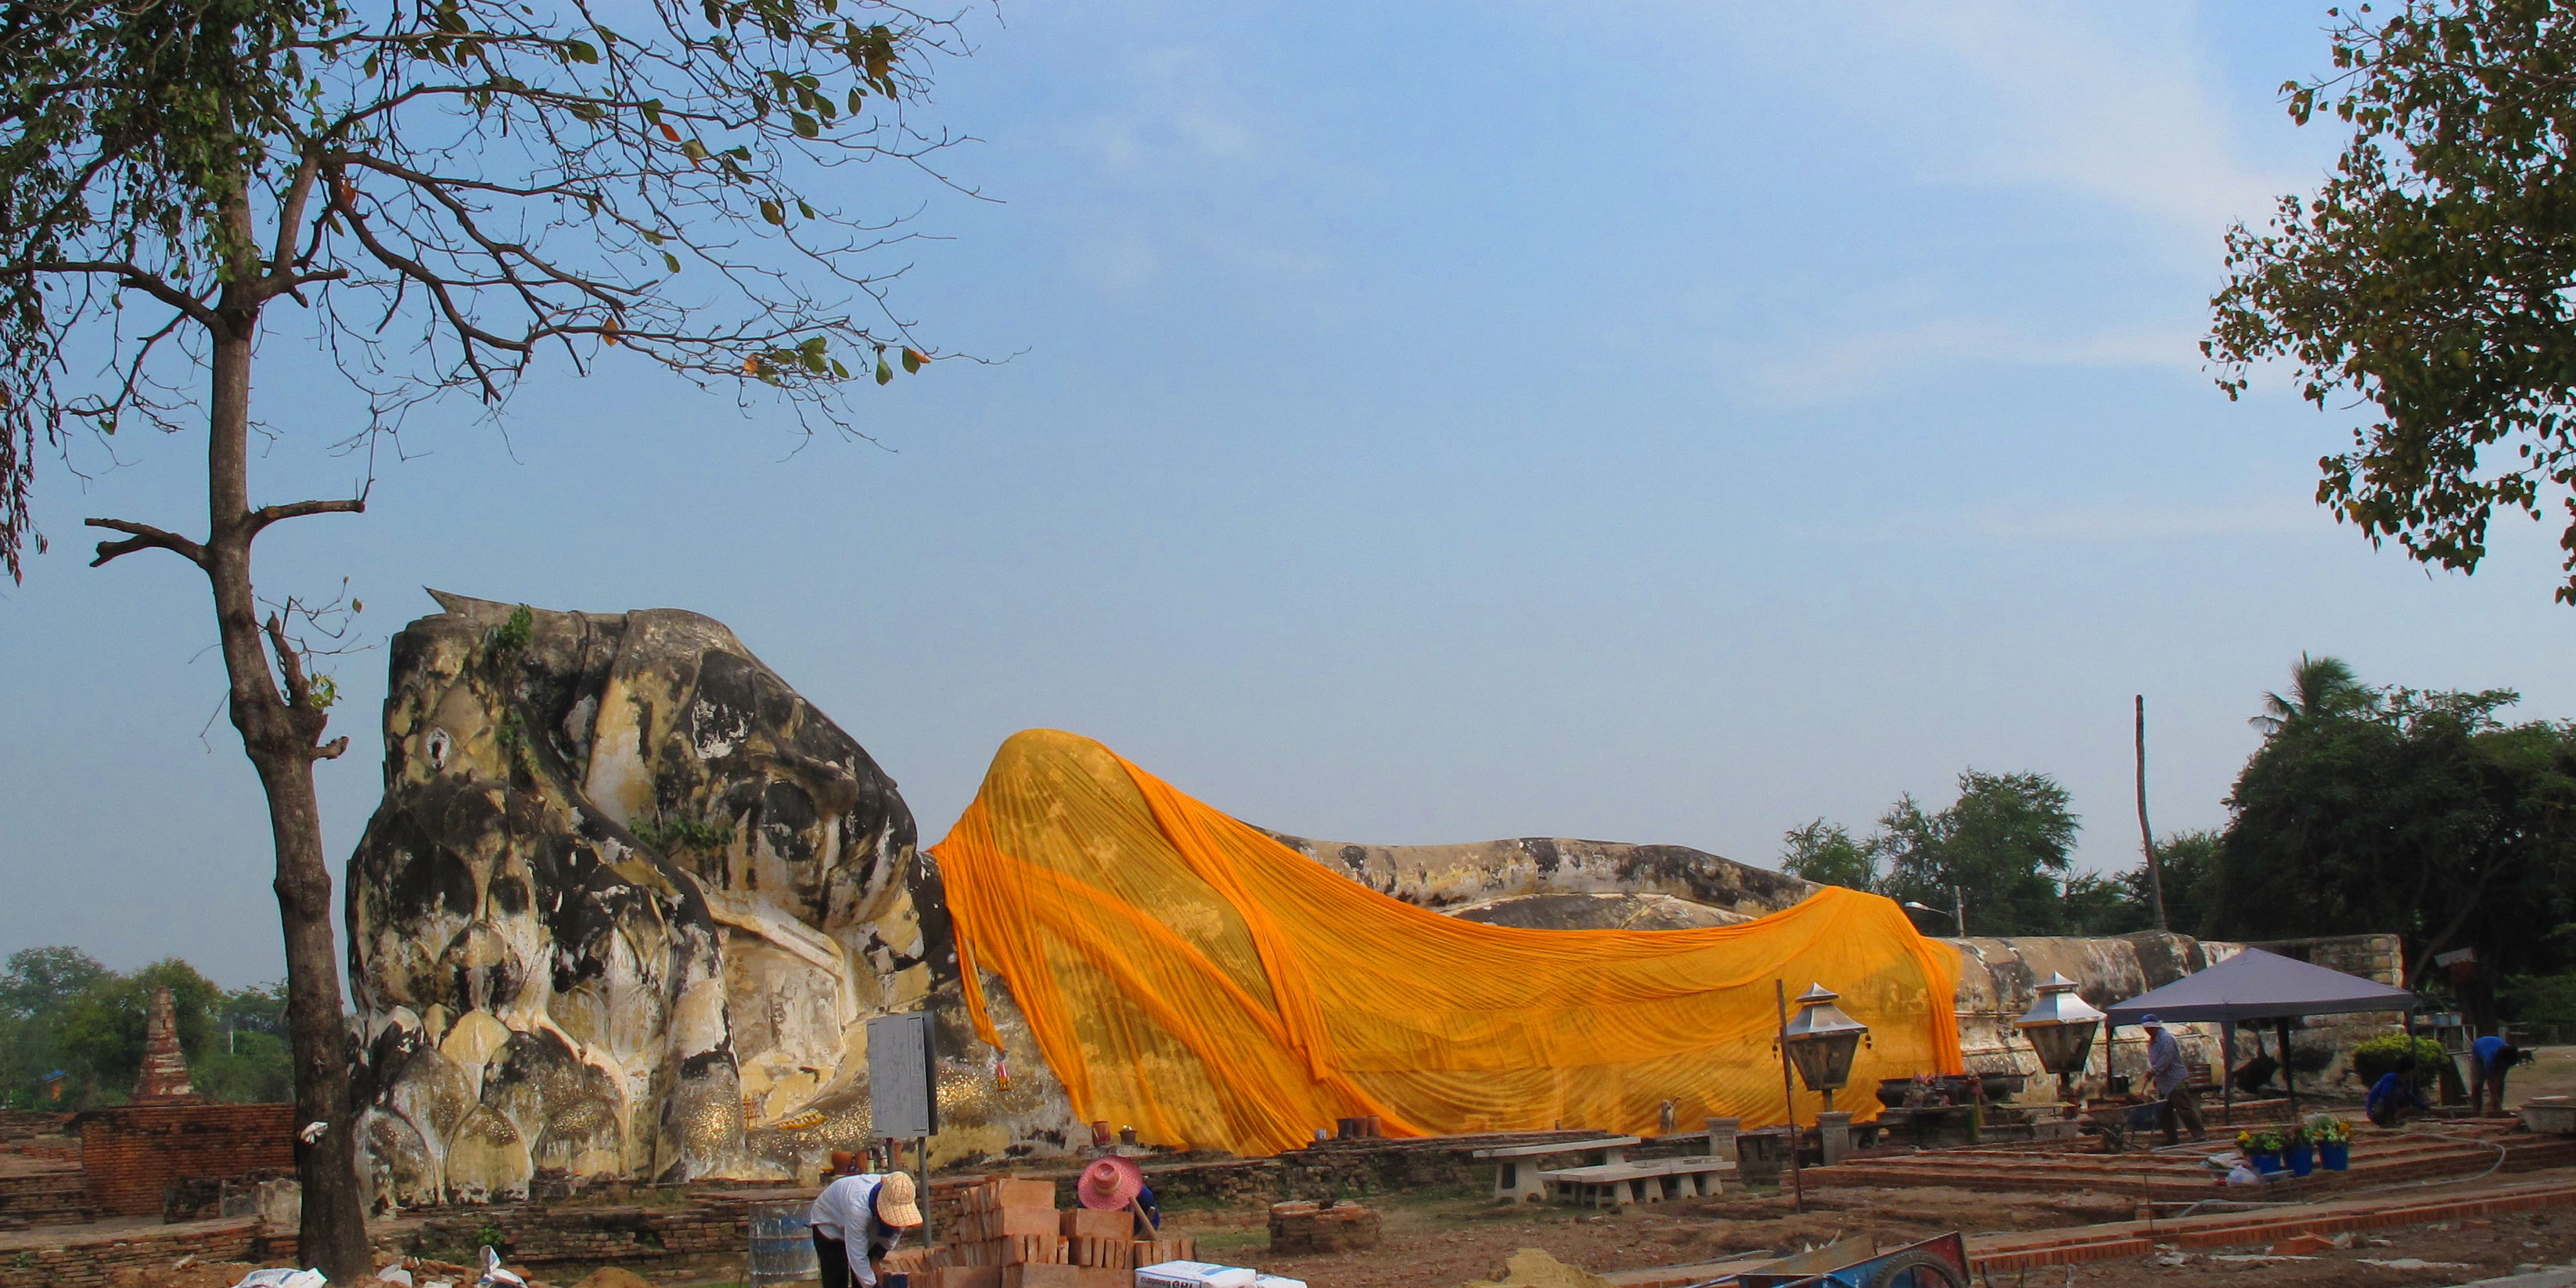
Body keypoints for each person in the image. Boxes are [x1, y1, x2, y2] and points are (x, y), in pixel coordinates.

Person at [808, 1170, 923, 1288]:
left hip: (860, 1222)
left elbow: (893, 1234)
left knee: (864, 1277)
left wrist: (875, 1258)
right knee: (837, 1278)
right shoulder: (858, 1207)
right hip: (829, 1222)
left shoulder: (900, 1192)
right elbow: (857, 1256)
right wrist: (873, 1286)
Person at [2142, 1015, 2206, 1144]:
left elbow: (2166, 1059)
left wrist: (2154, 1071)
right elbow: (2154, 1060)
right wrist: (2154, 1075)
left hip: (2175, 1080)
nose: (2148, 1031)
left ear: (2155, 1027)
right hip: (2163, 1082)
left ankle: (2199, 1134)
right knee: (2164, 1113)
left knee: (2184, 1108)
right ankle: (2171, 1138)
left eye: (2149, 1029)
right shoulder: (2152, 1042)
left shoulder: (2166, 1039)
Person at [2473, 1034, 2537, 1116]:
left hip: (2498, 1049)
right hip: (2478, 1048)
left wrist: (2498, 1103)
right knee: (2477, 1084)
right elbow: (2490, 1081)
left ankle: (2497, 1109)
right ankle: (2476, 1112)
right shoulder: (2490, 1059)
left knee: (2499, 1083)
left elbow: (2500, 1080)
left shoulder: (2510, 1054)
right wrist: (2495, 1099)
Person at [2369, 1063, 2429, 1128]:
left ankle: (2391, 1120)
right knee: (2394, 1094)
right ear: (2409, 1071)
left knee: (2403, 1096)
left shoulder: (2400, 1082)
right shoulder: (2392, 1078)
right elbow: (2385, 1095)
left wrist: (2427, 1108)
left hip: (2379, 1110)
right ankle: (2388, 1121)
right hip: (2375, 1111)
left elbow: (2411, 1098)